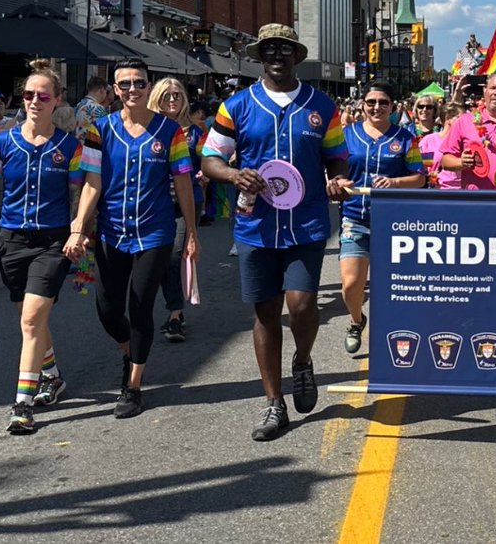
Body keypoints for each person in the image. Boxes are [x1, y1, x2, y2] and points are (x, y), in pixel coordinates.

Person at [202, 23, 348, 442]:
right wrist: (233, 174)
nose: (276, 56)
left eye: (285, 49)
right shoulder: (237, 106)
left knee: (301, 305)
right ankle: (273, 404)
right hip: (256, 226)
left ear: (297, 56)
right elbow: (211, 156)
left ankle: (302, 361)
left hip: (307, 224)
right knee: (266, 312)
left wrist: (337, 181)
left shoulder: (322, 106)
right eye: (269, 49)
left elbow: (337, 159)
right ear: (260, 56)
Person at [0, 60, 82, 434]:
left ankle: (22, 405)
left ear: (57, 100)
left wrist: (79, 231)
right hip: (12, 240)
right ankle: (52, 376)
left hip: (52, 241)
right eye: (29, 95)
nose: (35, 101)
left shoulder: (69, 145)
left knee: (29, 320)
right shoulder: (2, 142)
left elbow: (81, 194)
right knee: (30, 319)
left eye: (43, 95)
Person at [68, 58, 199, 420]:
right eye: (124, 84)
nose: (132, 91)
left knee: (140, 306)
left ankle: (134, 384)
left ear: (148, 85)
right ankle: (130, 351)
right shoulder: (100, 130)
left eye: (139, 83)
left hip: (154, 232)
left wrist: (191, 233)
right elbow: (91, 184)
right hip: (111, 232)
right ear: (114, 89)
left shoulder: (169, 132)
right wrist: (79, 226)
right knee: (108, 309)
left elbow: (183, 183)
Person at [335, 83, 426, 355]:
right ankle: (356, 320)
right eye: (371, 101)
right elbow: (331, 169)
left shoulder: (406, 138)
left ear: (393, 106)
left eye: (383, 102)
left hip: (394, 223)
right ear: (362, 104)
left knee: (394, 287)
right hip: (354, 217)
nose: (377, 107)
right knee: (351, 285)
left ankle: (396, 335)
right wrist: (337, 181)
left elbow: (420, 178)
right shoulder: (345, 136)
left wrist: (395, 181)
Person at [148, 78, 206, 343]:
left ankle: (175, 315)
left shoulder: (195, 132)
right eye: (167, 96)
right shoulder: (147, 129)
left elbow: (212, 157)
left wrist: (207, 170)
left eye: (177, 96)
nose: (172, 100)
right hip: (153, 203)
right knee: (156, 260)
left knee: (173, 257)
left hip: (186, 203)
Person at [419, 102, 464, 189]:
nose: (464, 122)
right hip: (437, 192)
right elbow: (423, 170)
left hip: (463, 192)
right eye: (460, 118)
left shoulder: (465, 141)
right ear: (448, 118)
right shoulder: (429, 141)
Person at [75, 76, 113, 142]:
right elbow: (105, 133)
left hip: (76, 147)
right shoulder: (98, 109)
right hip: (89, 148)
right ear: (101, 89)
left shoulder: (79, 105)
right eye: (106, 92)